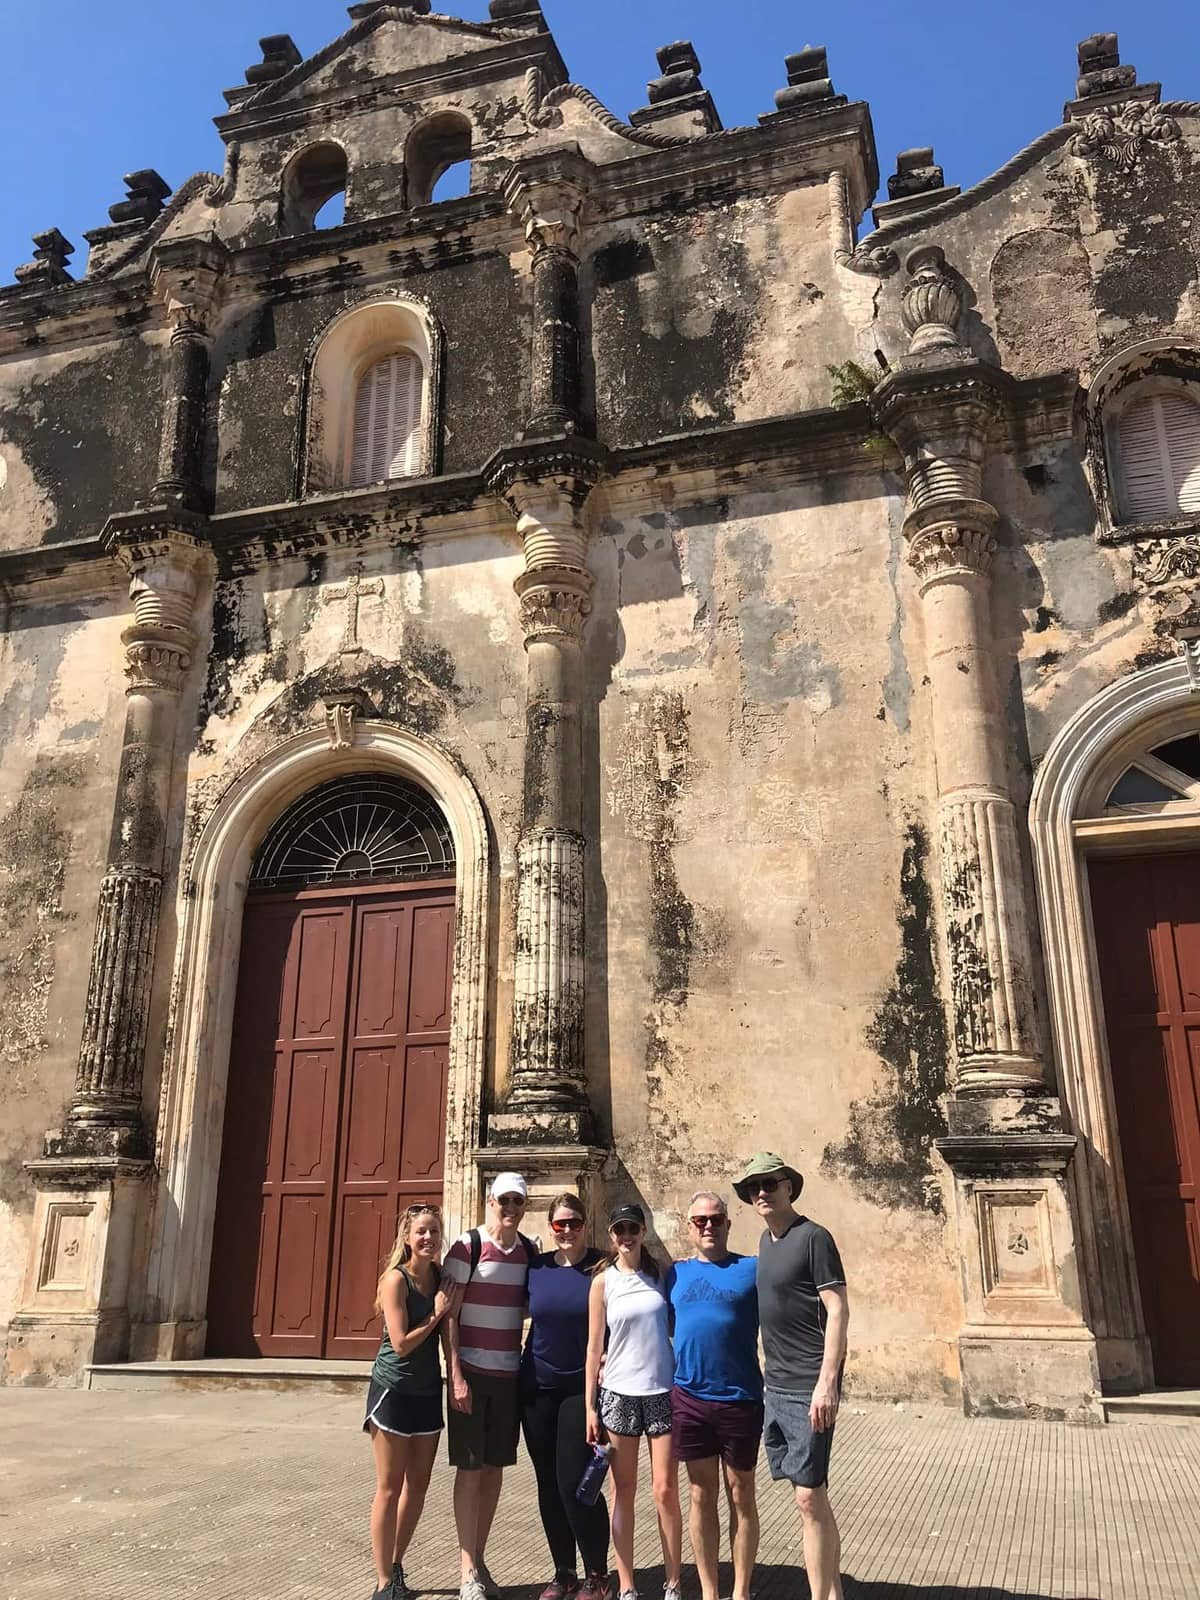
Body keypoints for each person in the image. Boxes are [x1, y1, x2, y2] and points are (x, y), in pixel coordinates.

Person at [734, 1152, 849, 1600]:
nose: (761, 1192)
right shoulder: (766, 1241)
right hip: (776, 1386)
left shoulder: (814, 1238)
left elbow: (837, 1310)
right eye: (752, 1188)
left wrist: (827, 1383)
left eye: (770, 1183)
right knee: (811, 1496)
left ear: (789, 1188)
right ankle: (833, 1591)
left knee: (808, 1496)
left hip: (808, 1386)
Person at [442, 1172, 537, 1600]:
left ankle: (479, 1561)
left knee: (495, 1469)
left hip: (508, 1375)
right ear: (490, 1200)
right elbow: (450, 1316)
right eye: (505, 1201)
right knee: (469, 1469)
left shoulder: (529, 1253)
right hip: (473, 1376)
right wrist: (456, 1375)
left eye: (518, 1201)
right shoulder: (467, 1247)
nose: (511, 1209)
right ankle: (466, 1572)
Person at [364, 1203, 463, 1600]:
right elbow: (401, 1343)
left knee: (417, 1488)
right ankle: (383, 1582)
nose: (428, 1238)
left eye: (434, 1232)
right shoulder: (395, 1281)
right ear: (407, 1238)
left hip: (426, 1393)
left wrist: (456, 1378)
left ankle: (396, 1563)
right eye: (421, 1231)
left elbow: (448, 1337)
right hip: (393, 1389)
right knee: (389, 1487)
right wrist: (436, 1314)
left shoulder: (441, 1278)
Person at [667, 1191, 762, 1600]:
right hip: (688, 1397)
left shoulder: (752, 1270)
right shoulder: (673, 1273)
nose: (708, 1225)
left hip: (740, 1398)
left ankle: (740, 1591)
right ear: (689, 1227)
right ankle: (709, 1592)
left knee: (741, 1491)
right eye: (700, 1220)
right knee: (699, 1493)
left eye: (716, 1219)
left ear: (727, 1223)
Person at [586, 1203, 682, 1600]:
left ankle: (673, 1581)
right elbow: (594, 1349)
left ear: (644, 1232)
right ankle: (626, 1584)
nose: (626, 1236)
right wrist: (589, 1406)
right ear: (611, 1235)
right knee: (622, 1492)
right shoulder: (603, 1282)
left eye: (633, 1228)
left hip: (661, 1391)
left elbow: (679, 1327)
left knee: (665, 1490)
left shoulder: (662, 1275)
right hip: (619, 1395)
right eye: (619, 1229)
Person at [521, 1193, 612, 1600]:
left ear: (584, 1223)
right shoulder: (536, 1268)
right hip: (536, 1387)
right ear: (550, 1228)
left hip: (583, 1389)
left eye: (574, 1222)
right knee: (546, 1484)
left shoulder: (602, 1266)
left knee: (575, 1481)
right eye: (559, 1224)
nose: (567, 1230)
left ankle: (598, 1573)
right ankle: (564, 1572)